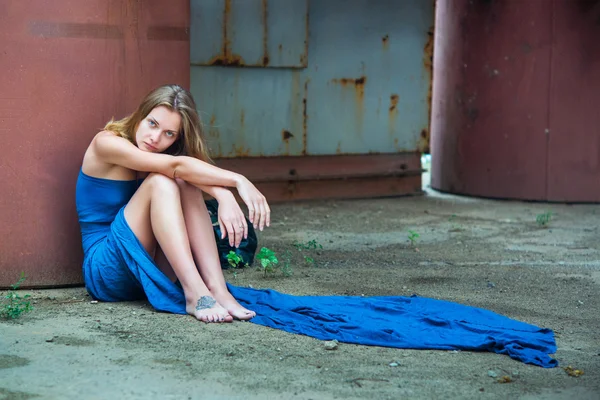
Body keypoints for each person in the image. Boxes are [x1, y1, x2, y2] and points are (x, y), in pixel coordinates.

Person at [75, 84, 270, 323]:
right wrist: (238, 181)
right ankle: (195, 293)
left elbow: (182, 172)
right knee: (162, 181)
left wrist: (225, 195)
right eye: (152, 123)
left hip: (152, 269)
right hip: (107, 271)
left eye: (169, 133)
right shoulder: (106, 143)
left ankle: (217, 289)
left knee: (184, 183)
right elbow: (175, 167)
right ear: (140, 115)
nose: (155, 138)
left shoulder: (159, 156)